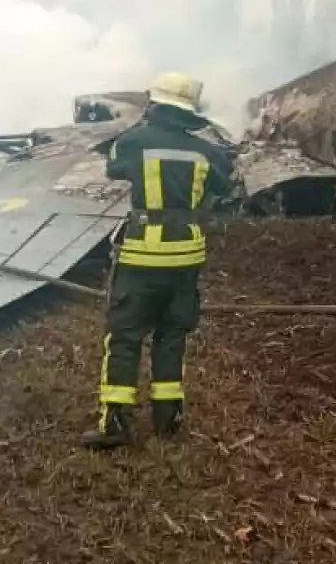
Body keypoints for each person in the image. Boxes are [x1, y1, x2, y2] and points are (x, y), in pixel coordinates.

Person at [82, 71, 237, 450]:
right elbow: (225, 183)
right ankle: (168, 420)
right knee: (171, 337)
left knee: (125, 336)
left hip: (141, 255)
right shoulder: (209, 152)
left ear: (155, 104)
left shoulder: (133, 141)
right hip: (186, 255)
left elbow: (113, 166)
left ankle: (115, 422)